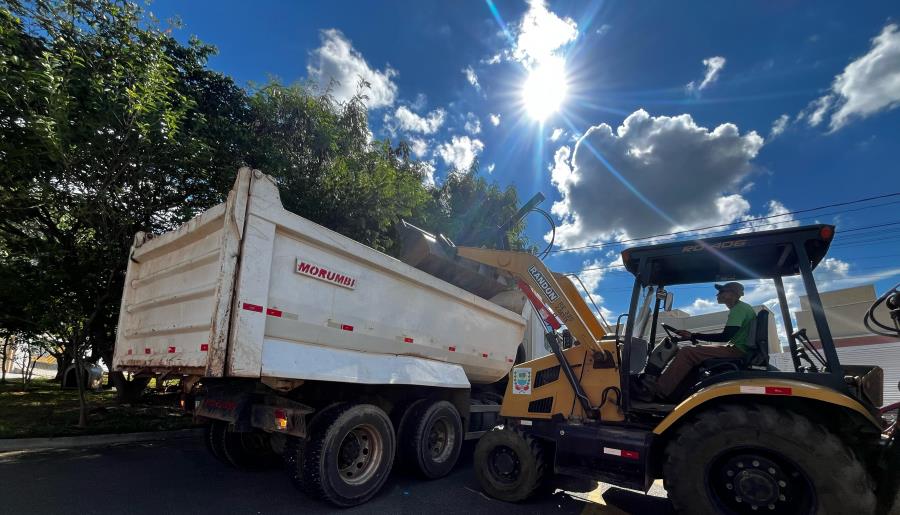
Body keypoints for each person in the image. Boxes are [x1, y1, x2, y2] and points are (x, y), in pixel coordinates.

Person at [639, 282, 756, 401]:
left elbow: (725, 337)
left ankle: (657, 392)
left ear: (732, 294)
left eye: (721, 292)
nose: (717, 295)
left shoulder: (739, 309)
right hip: (737, 348)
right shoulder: (742, 308)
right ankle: (674, 391)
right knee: (694, 351)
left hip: (737, 350)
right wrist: (692, 336)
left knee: (687, 352)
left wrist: (693, 335)